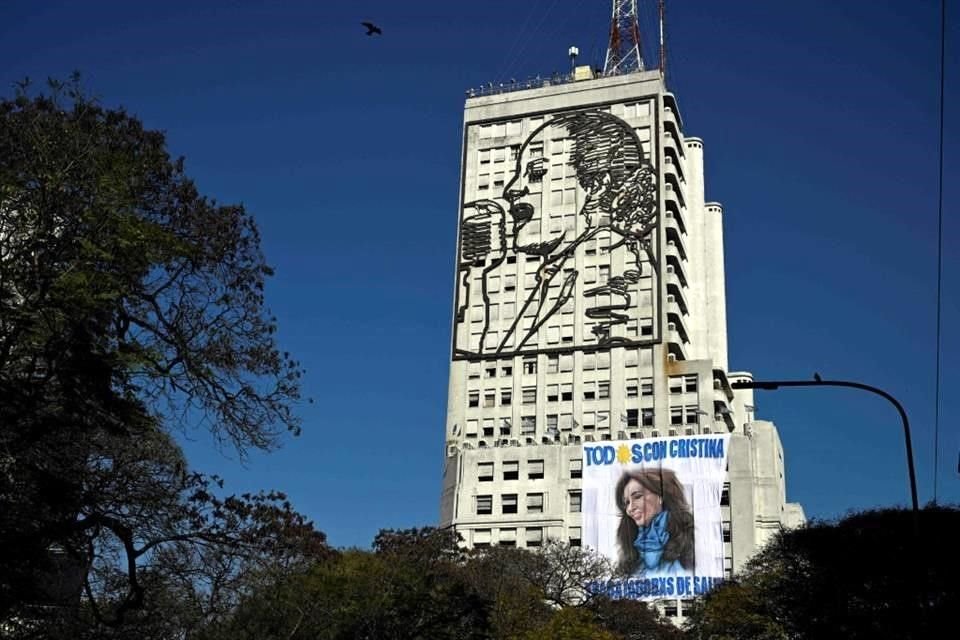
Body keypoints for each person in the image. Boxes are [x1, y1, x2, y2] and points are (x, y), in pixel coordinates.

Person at [614, 468, 694, 576]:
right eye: (627, 502)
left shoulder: (691, 538)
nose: (630, 508)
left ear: (660, 496)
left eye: (637, 497)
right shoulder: (631, 546)